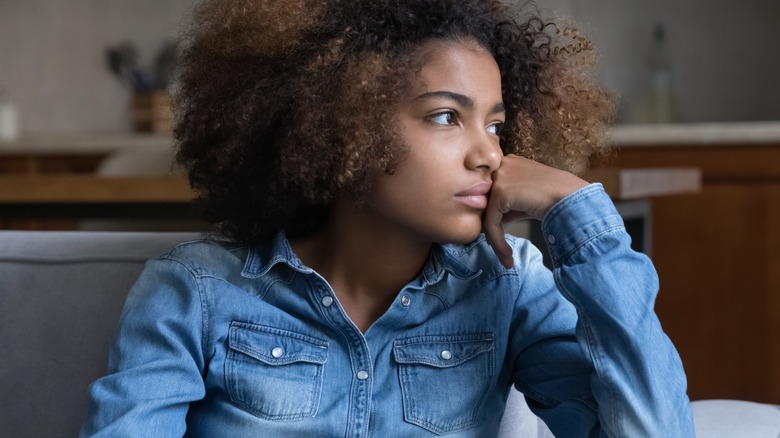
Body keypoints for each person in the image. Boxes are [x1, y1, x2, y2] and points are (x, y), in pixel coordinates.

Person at [81, 0, 695, 436]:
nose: (489, 154)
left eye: (497, 125)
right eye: (445, 116)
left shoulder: (510, 285)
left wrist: (576, 214)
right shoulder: (197, 293)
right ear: (337, 122)